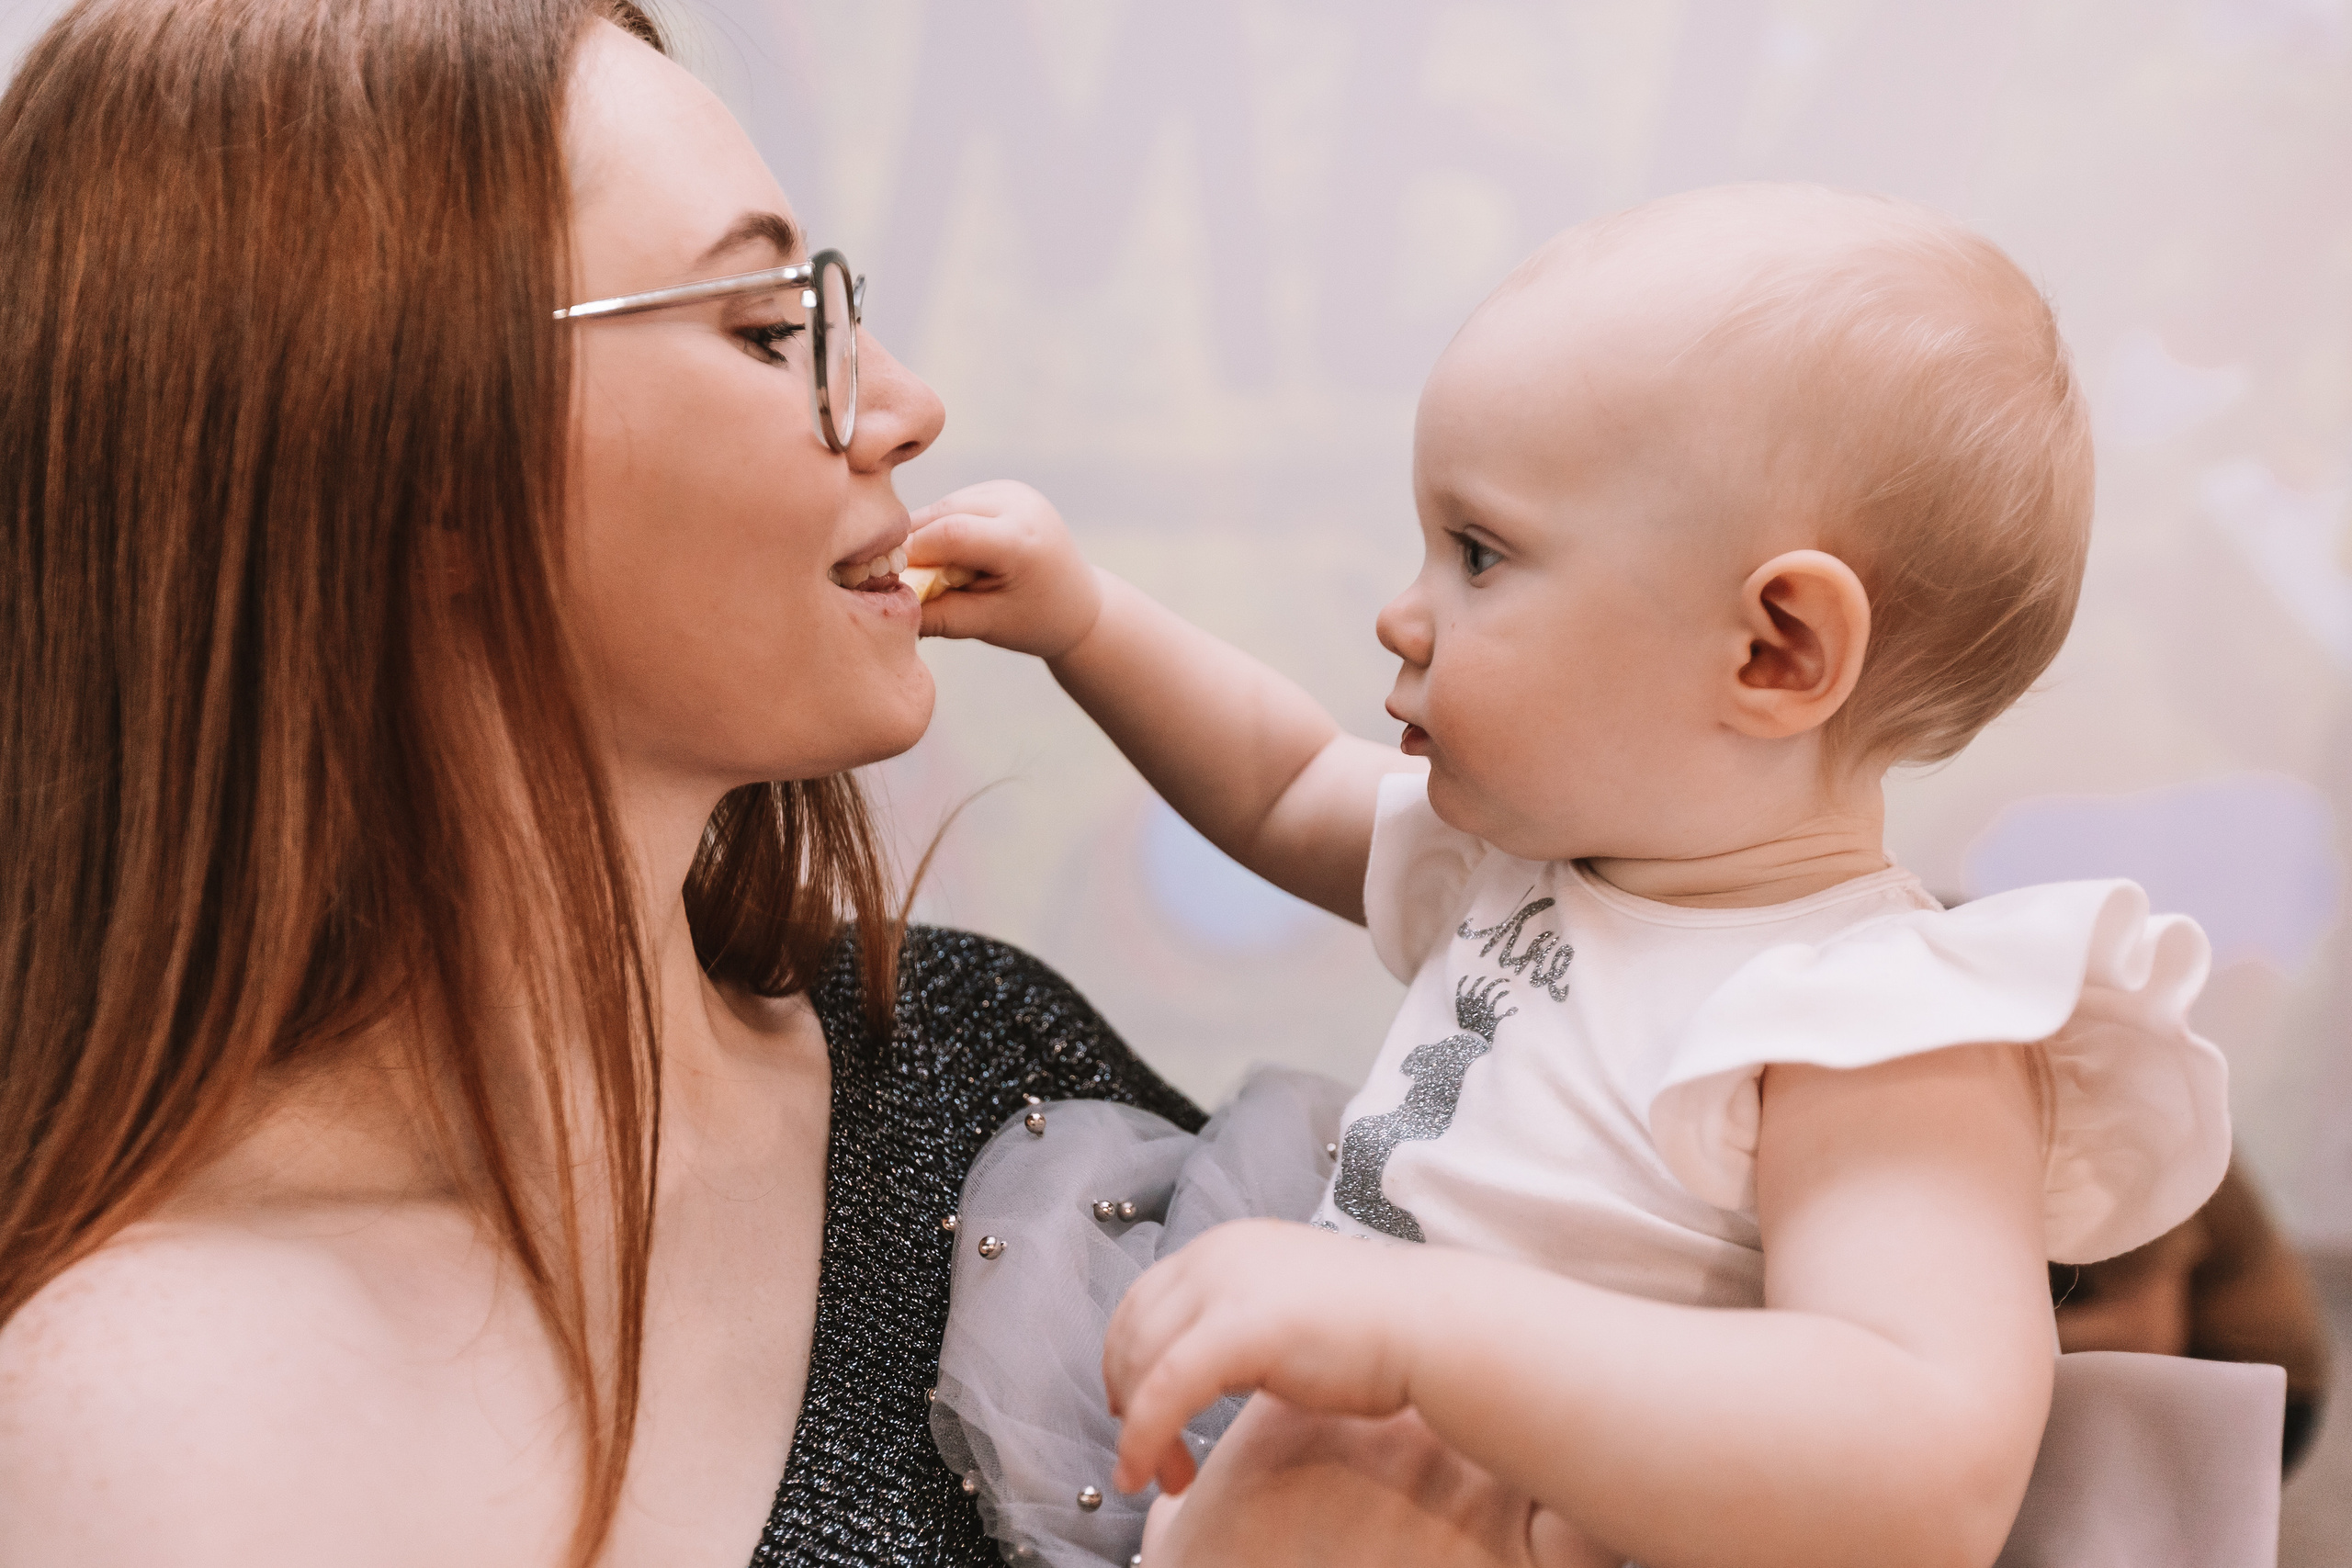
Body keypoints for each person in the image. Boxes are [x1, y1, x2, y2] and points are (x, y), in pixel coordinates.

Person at [0, 5, 1247, 1565]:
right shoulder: (139, 1417)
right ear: (423, 471)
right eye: (766, 326)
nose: (905, 406)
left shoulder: (991, 1074)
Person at [905, 184, 2237, 1567]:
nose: (1402, 611)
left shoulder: (1877, 1023)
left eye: (1480, 553)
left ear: (1776, 648)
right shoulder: (1525, 864)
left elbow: (1923, 1461)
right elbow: (1283, 779)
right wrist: (1086, 620)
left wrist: (1422, 1333)